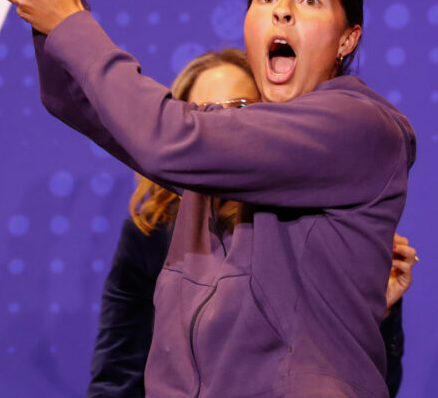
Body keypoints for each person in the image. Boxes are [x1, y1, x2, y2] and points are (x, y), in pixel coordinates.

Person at [0, 0, 417, 396]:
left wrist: (71, 17)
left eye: (310, 1)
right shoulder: (224, 141)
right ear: (249, 25)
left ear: (348, 39)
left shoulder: (363, 128)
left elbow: (168, 139)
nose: (281, 8)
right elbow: (73, 94)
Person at [86, 49, 418, 398]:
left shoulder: (313, 222)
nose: (221, 129)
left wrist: (374, 313)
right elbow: (116, 373)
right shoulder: (153, 231)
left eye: (240, 110)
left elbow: (370, 384)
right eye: (199, 117)